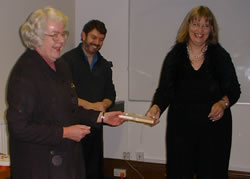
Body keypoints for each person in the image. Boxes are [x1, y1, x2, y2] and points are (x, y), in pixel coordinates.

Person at [6, 7, 124, 179]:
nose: (61, 40)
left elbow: (70, 107)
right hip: (39, 166)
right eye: (54, 35)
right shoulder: (25, 72)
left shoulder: (60, 65)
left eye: (63, 34)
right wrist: (65, 132)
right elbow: (18, 127)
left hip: (66, 162)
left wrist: (101, 117)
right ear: (36, 36)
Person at [146, 5, 241, 179]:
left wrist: (223, 103)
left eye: (206, 25)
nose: (200, 30)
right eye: (196, 24)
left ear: (211, 29)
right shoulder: (175, 56)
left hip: (214, 131)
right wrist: (156, 107)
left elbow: (234, 90)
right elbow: (165, 90)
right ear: (188, 26)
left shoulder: (220, 56)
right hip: (181, 132)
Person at [62, 19, 116, 179]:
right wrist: (91, 105)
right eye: (93, 37)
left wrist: (103, 104)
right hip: (72, 126)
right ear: (83, 36)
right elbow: (65, 94)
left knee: (94, 171)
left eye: (101, 39)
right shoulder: (66, 61)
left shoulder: (105, 65)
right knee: (75, 171)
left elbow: (111, 94)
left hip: (95, 127)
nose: (97, 42)